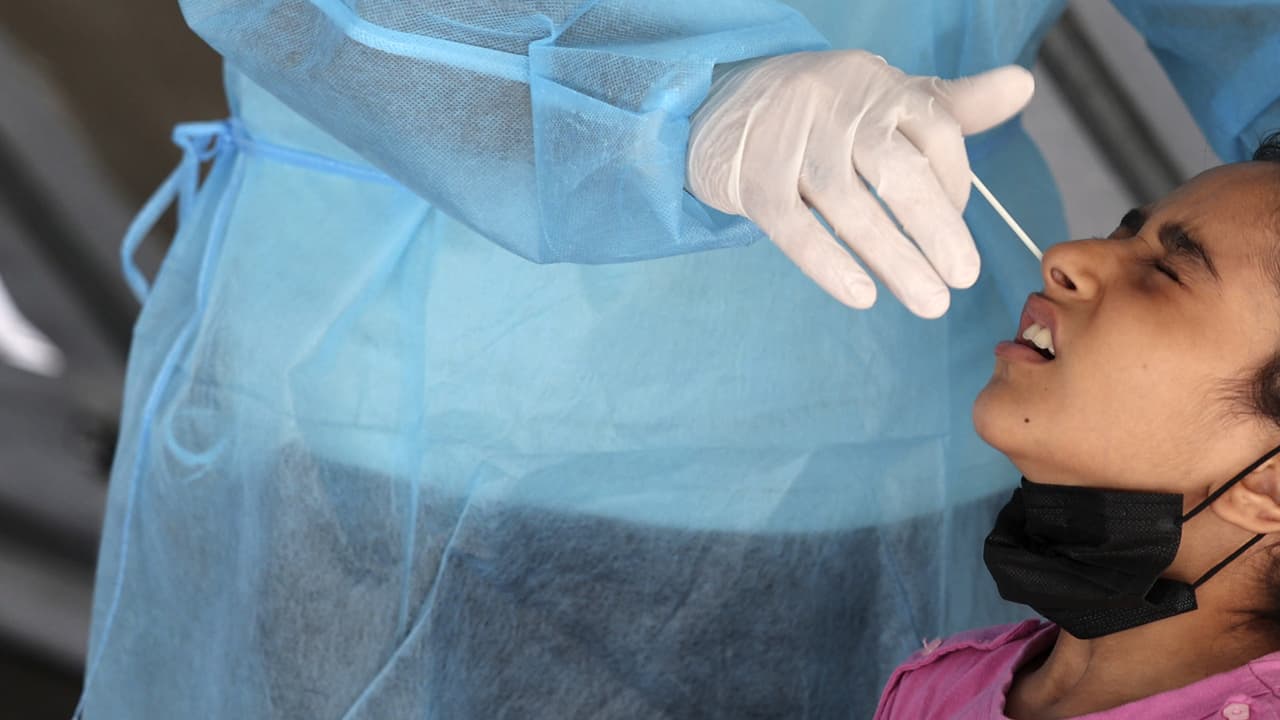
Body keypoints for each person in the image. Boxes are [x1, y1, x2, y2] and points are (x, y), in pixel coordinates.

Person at [78, 2, 1280, 718]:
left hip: (905, 449)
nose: (1070, 258)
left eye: (1165, 264)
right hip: (430, 442)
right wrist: (665, 97)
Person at [876, 134, 1280, 719]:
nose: (1063, 257)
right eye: (1121, 234)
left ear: (1270, 484)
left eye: (1166, 272)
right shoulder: (939, 686)